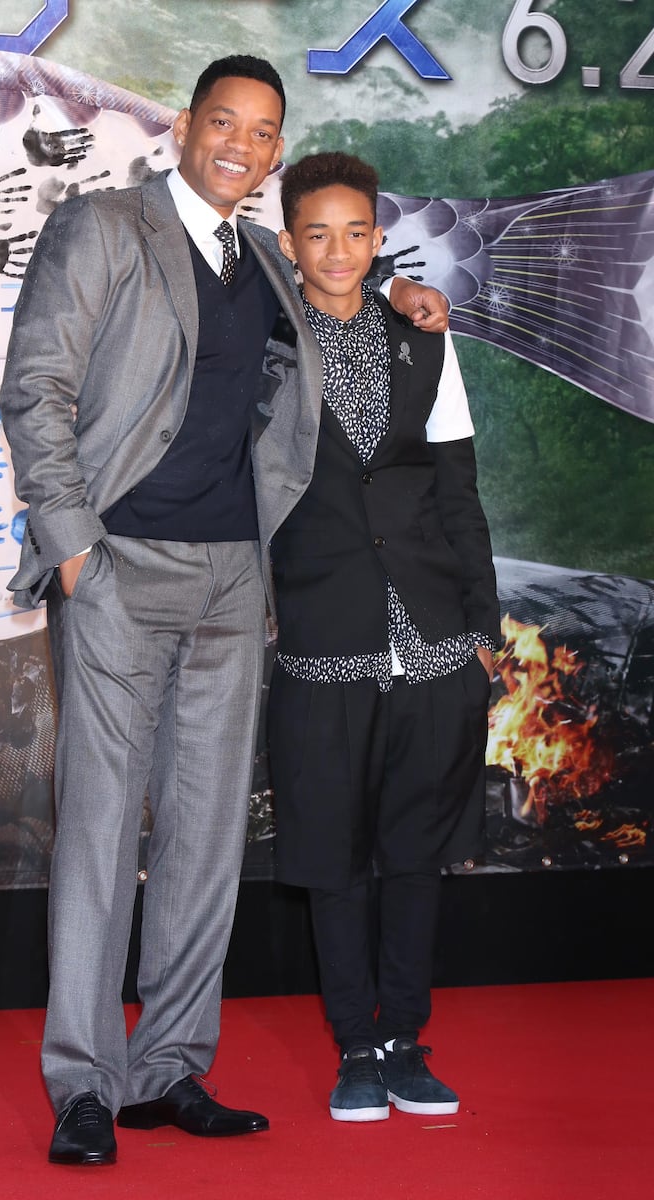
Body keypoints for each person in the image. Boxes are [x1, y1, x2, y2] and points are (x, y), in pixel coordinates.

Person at [0, 57, 449, 1167]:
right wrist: (72, 553)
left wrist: (402, 298)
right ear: (185, 128)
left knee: (204, 842)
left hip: (232, 579)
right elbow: (35, 387)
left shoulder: (262, 255)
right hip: (115, 572)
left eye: (263, 130)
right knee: (103, 833)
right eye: (222, 123)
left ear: (274, 149)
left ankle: (167, 1072)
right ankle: (84, 1085)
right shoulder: (103, 227)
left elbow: (335, 304)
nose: (241, 145)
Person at [266, 152, 500, 1124]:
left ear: (376, 237)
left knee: (412, 856)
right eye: (314, 233)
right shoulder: (262, 349)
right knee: (334, 857)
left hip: (436, 640)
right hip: (323, 636)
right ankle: (352, 1048)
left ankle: (405, 1037)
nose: (336, 250)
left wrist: (481, 627)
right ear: (289, 243)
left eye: (354, 232)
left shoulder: (424, 344)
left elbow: (458, 494)